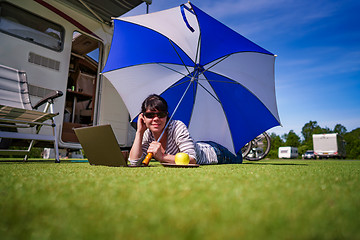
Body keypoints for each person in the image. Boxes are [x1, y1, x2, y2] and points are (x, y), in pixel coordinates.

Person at [129, 94, 242, 166]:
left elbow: (192, 159)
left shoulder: (177, 126)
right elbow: (134, 162)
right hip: (197, 145)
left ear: (167, 116)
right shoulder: (147, 134)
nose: (156, 119)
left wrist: (162, 157)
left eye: (161, 114)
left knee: (238, 157)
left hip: (216, 153)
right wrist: (139, 132)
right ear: (142, 117)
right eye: (150, 115)